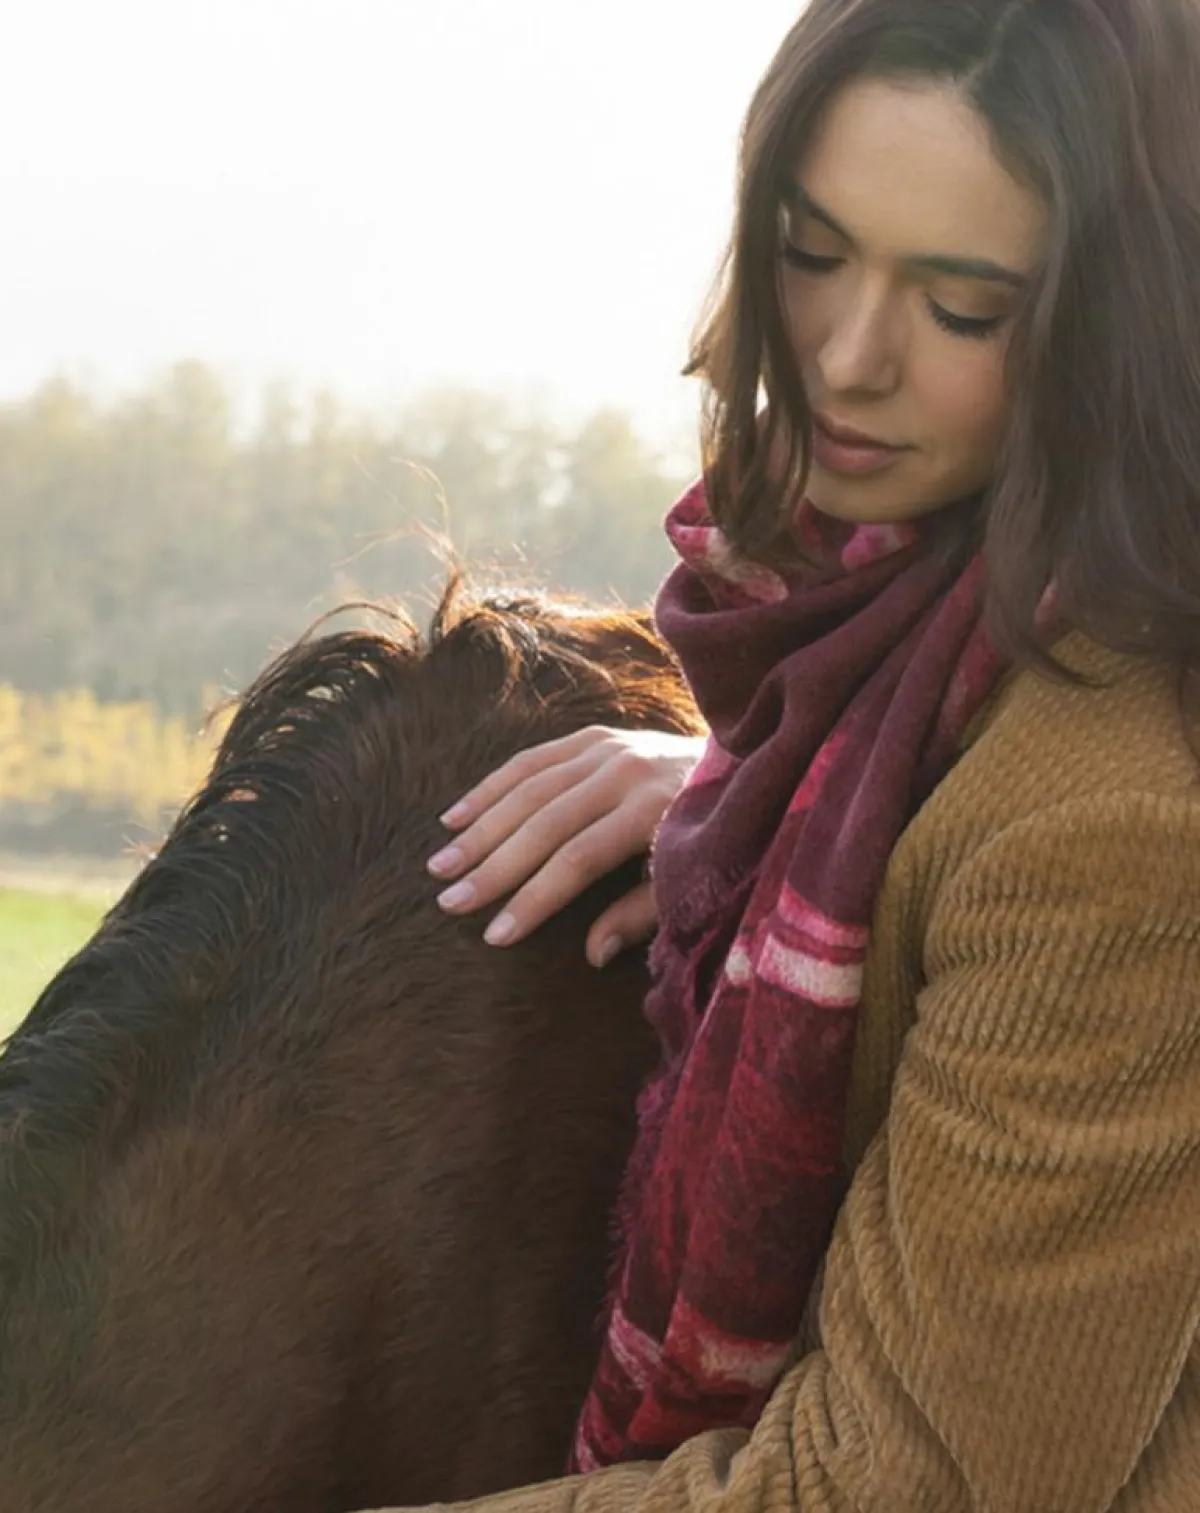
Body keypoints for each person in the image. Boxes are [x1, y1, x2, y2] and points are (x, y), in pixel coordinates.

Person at [399, 1, 1200, 1508]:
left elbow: (909, 1486)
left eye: (965, 309)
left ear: (1120, 332)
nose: (845, 356)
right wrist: (746, 794)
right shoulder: (871, 653)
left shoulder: (1120, 823)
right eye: (811, 250)